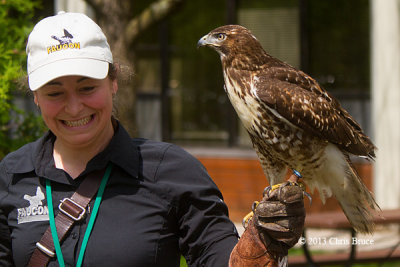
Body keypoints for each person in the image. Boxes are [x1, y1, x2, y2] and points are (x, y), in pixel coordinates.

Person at [0, 11, 305, 267]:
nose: (75, 106)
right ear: (35, 97)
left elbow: (222, 260)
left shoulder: (172, 171)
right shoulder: (11, 175)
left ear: (114, 81)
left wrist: (263, 243)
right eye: (55, 93)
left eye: (87, 88)